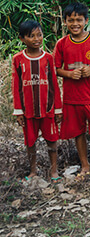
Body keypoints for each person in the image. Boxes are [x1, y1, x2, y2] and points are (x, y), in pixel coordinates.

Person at [54, 2, 90, 178]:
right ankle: (85, 165)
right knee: (78, 132)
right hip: (72, 97)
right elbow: (55, 68)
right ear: (65, 22)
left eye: (79, 20)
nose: (75, 23)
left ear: (86, 20)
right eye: (71, 20)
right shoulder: (62, 43)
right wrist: (69, 74)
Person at [12, 20, 62, 182]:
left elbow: (54, 84)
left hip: (47, 109)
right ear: (22, 38)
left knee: (52, 141)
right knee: (30, 142)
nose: (36, 39)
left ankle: (54, 171)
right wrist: (18, 111)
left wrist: (58, 109)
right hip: (28, 111)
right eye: (31, 36)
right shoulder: (18, 59)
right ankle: (33, 170)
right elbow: (16, 85)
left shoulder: (48, 58)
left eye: (39, 35)